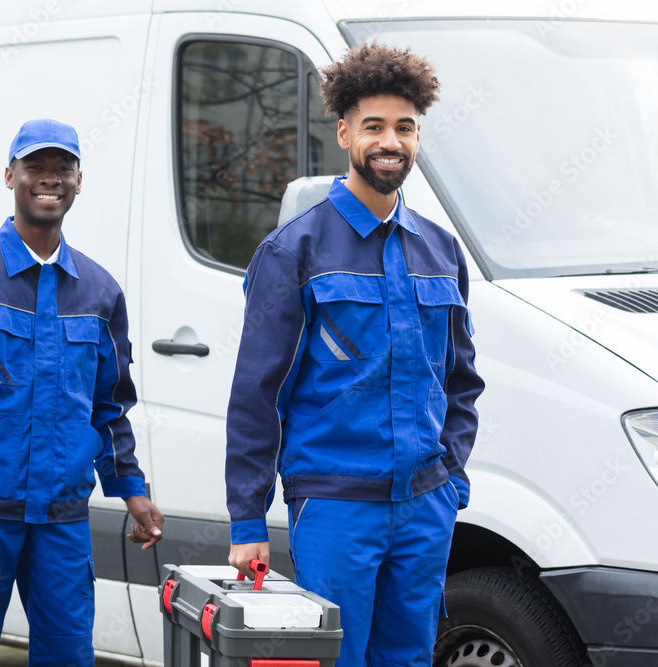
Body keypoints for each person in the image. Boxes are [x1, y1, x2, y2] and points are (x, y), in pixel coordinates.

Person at [225, 44, 484, 667]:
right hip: (337, 508)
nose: (390, 141)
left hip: (424, 508)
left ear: (418, 135)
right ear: (344, 132)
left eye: (404, 127)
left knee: (410, 658)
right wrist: (247, 521)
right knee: (336, 660)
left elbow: (460, 381)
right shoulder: (295, 250)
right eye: (374, 126)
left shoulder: (442, 251)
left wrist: (449, 479)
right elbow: (258, 396)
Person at [0, 118, 163, 666]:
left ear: (78, 180)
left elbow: (109, 404)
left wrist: (130, 488)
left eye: (62, 168)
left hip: (63, 520)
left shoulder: (100, 291)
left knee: (69, 657)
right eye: (36, 167)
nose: (50, 179)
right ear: (9, 176)